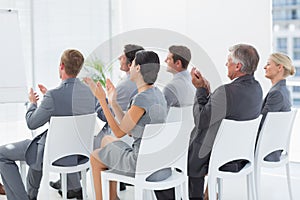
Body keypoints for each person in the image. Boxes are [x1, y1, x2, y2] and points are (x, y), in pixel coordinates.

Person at [0, 49, 103, 200]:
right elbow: (69, 110)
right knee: (36, 149)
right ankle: (31, 195)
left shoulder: (53, 96)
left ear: (61, 66)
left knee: (3, 153)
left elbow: (32, 123)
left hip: (53, 154)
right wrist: (47, 101)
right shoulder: (89, 93)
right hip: (79, 156)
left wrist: (33, 104)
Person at [84, 50, 168, 200]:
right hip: (159, 161)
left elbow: (119, 132)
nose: (130, 67)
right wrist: (113, 102)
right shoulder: (157, 94)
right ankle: (113, 197)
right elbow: (128, 130)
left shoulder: (141, 99)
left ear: (138, 68)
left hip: (141, 164)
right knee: (106, 140)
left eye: (133, 63)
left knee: (95, 157)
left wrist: (102, 101)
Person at [188, 44, 263, 200]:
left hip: (221, 158)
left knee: (194, 144)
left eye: (228, 61)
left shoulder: (226, 92)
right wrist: (209, 93)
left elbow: (201, 120)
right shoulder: (257, 88)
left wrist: (200, 90)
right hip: (241, 156)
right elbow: (228, 108)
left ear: (238, 66)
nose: (225, 64)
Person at [155, 45, 195, 200]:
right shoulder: (194, 82)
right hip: (189, 142)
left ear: (178, 63)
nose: (165, 60)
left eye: (169, 58)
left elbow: (160, 119)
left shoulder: (171, 87)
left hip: (172, 145)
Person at [259, 52, 295, 161]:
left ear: (280, 67)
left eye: (268, 64)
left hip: (267, 151)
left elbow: (261, 122)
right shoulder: (283, 90)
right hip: (272, 148)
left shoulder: (277, 93)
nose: (265, 67)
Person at [116, 44, 144, 111]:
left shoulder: (124, 86)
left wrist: (99, 99)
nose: (119, 58)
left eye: (123, 57)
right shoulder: (146, 83)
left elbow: (108, 115)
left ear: (130, 64)